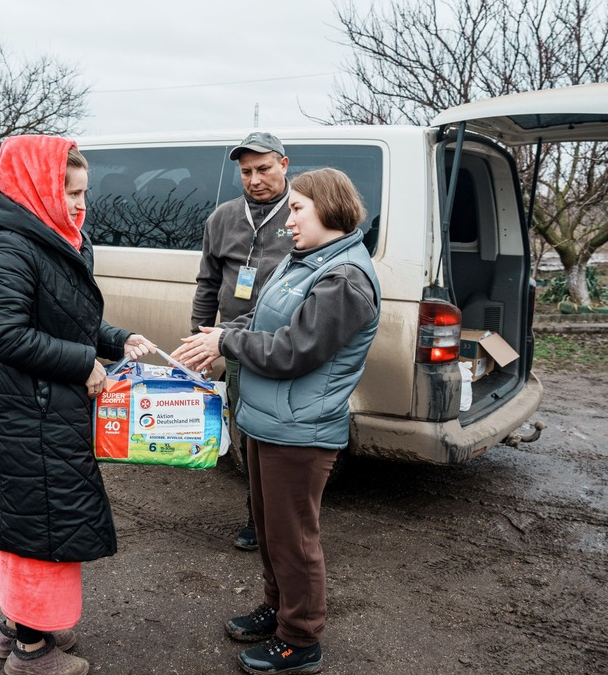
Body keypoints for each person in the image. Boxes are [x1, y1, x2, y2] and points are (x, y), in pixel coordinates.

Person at [172, 168, 380, 675]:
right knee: (269, 530)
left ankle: (301, 639)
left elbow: (293, 351)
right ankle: (277, 609)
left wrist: (226, 344)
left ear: (329, 210)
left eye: (297, 208)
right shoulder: (303, 261)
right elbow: (265, 318)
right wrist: (216, 335)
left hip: (301, 431)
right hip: (268, 421)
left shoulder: (344, 279)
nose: (287, 219)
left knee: (294, 539)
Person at [0, 134, 156, 675]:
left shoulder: (58, 238)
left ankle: (18, 630)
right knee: (42, 525)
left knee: (40, 520)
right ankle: (33, 652)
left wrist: (116, 339)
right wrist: (83, 363)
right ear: (36, 188)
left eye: (84, 192)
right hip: (26, 415)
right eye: (69, 191)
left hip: (47, 410)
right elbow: (7, 335)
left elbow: (67, 318)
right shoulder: (10, 247)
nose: (80, 204)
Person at [190, 131, 296, 551]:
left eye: (264, 169)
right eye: (246, 171)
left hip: (286, 343)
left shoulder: (303, 211)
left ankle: (287, 520)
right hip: (234, 343)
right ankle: (257, 517)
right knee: (246, 434)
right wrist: (200, 341)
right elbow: (207, 283)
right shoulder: (222, 218)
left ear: (284, 165)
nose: (255, 179)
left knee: (284, 436)